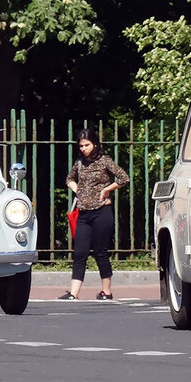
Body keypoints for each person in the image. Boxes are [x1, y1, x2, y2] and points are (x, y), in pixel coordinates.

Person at [60, 128, 130, 301]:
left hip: (102, 211)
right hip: (83, 213)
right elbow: (69, 179)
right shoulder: (79, 163)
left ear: (95, 144)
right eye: (81, 146)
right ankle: (73, 293)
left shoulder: (105, 161)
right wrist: (78, 189)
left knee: (100, 251)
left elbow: (124, 178)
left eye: (87, 145)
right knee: (79, 252)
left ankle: (107, 291)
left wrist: (107, 189)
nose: (83, 148)